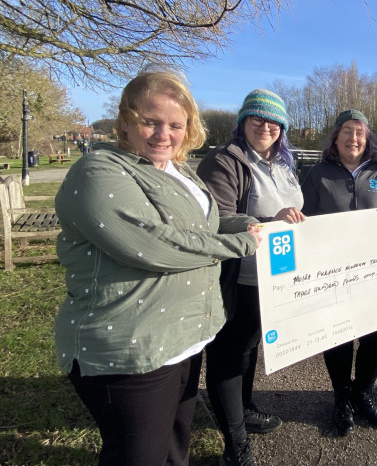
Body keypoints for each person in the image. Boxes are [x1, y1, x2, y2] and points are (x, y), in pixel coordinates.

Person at [53, 67, 263, 466]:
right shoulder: (99, 170)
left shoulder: (180, 172)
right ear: (125, 122)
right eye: (150, 122)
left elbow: (207, 224)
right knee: (138, 456)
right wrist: (240, 243)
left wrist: (256, 225)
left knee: (174, 446)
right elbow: (150, 244)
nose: (163, 134)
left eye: (175, 124)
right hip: (133, 348)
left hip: (186, 339)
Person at [197, 89, 305, 466]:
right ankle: (235, 441)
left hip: (274, 277)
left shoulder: (284, 164)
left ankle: (244, 409)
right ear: (242, 122)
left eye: (274, 121)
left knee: (250, 347)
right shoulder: (223, 161)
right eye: (257, 119)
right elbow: (215, 219)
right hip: (238, 277)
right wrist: (263, 224)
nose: (266, 126)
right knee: (228, 355)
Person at [301, 109, 377, 435]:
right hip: (331, 271)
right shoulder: (318, 173)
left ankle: (363, 392)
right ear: (336, 137)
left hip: (375, 272)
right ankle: (341, 397)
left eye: (360, 132)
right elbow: (304, 219)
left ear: (368, 138)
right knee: (338, 336)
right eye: (347, 131)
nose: (354, 138)